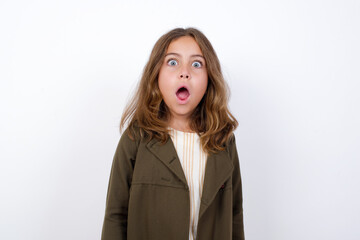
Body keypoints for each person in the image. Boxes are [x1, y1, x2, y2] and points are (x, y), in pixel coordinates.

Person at [101, 27, 245, 240]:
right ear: (156, 74)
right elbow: (115, 216)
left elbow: (235, 216)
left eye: (197, 64)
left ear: (209, 79)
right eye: (173, 62)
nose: (185, 72)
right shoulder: (136, 138)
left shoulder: (223, 141)